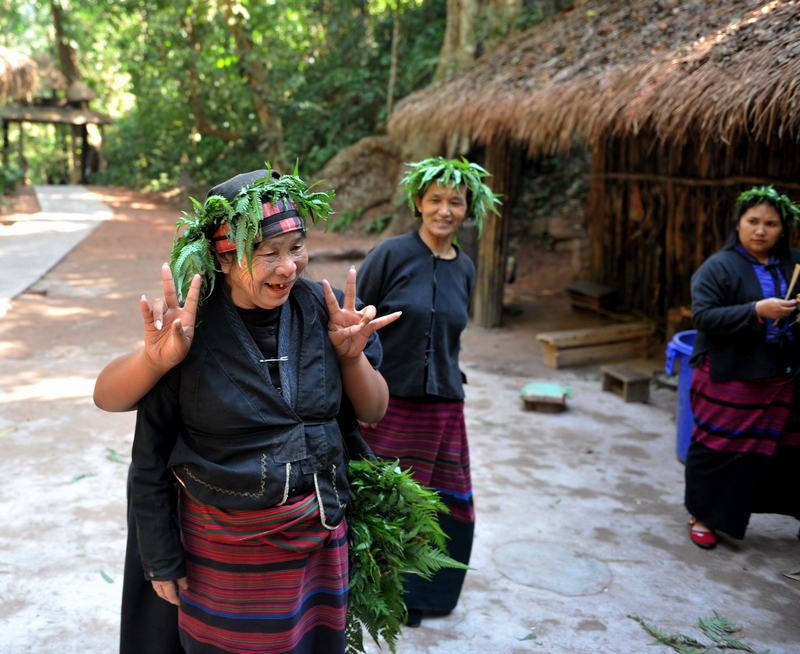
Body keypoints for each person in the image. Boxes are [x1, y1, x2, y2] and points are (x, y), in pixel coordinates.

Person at [95, 168, 399, 654]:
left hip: (317, 540)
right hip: (221, 555)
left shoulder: (327, 312)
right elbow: (123, 421)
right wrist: (154, 360)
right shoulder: (188, 332)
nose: (289, 268)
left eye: (297, 246)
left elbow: (374, 411)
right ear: (226, 255)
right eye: (268, 253)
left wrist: (352, 357)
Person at [356, 157, 500, 627]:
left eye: (455, 201)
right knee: (384, 499)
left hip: (442, 407)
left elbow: (452, 339)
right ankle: (373, 590)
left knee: (441, 501)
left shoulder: (466, 269)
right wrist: (362, 393)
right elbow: (358, 325)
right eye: (435, 199)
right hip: (388, 404)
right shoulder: (390, 255)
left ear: (467, 209)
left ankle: (422, 595)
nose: (444, 210)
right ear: (418, 203)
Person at [685, 185, 800, 549]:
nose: (761, 230)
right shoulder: (718, 267)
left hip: (784, 376)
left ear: (783, 229)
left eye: (771, 223)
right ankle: (704, 514)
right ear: (738, 225)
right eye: (753, 221)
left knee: (789, 448)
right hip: (730, 377)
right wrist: (755, 311)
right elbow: (703, 317)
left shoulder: (795, 263)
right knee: (719, 447)